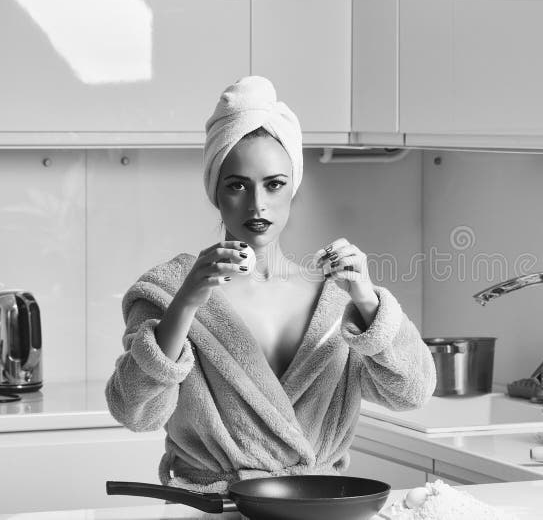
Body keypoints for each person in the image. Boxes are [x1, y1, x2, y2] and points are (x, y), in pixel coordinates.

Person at [105, 75, 436, 493]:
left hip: (320, 509)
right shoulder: (168, 291)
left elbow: (412, 392)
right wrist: (186, 304)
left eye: (274, 184)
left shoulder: (334, 298)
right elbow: (134, 410)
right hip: (216, 511)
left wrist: (369, 302)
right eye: (237, 185)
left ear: (292, 187)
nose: (257, 204)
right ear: (215, 192)